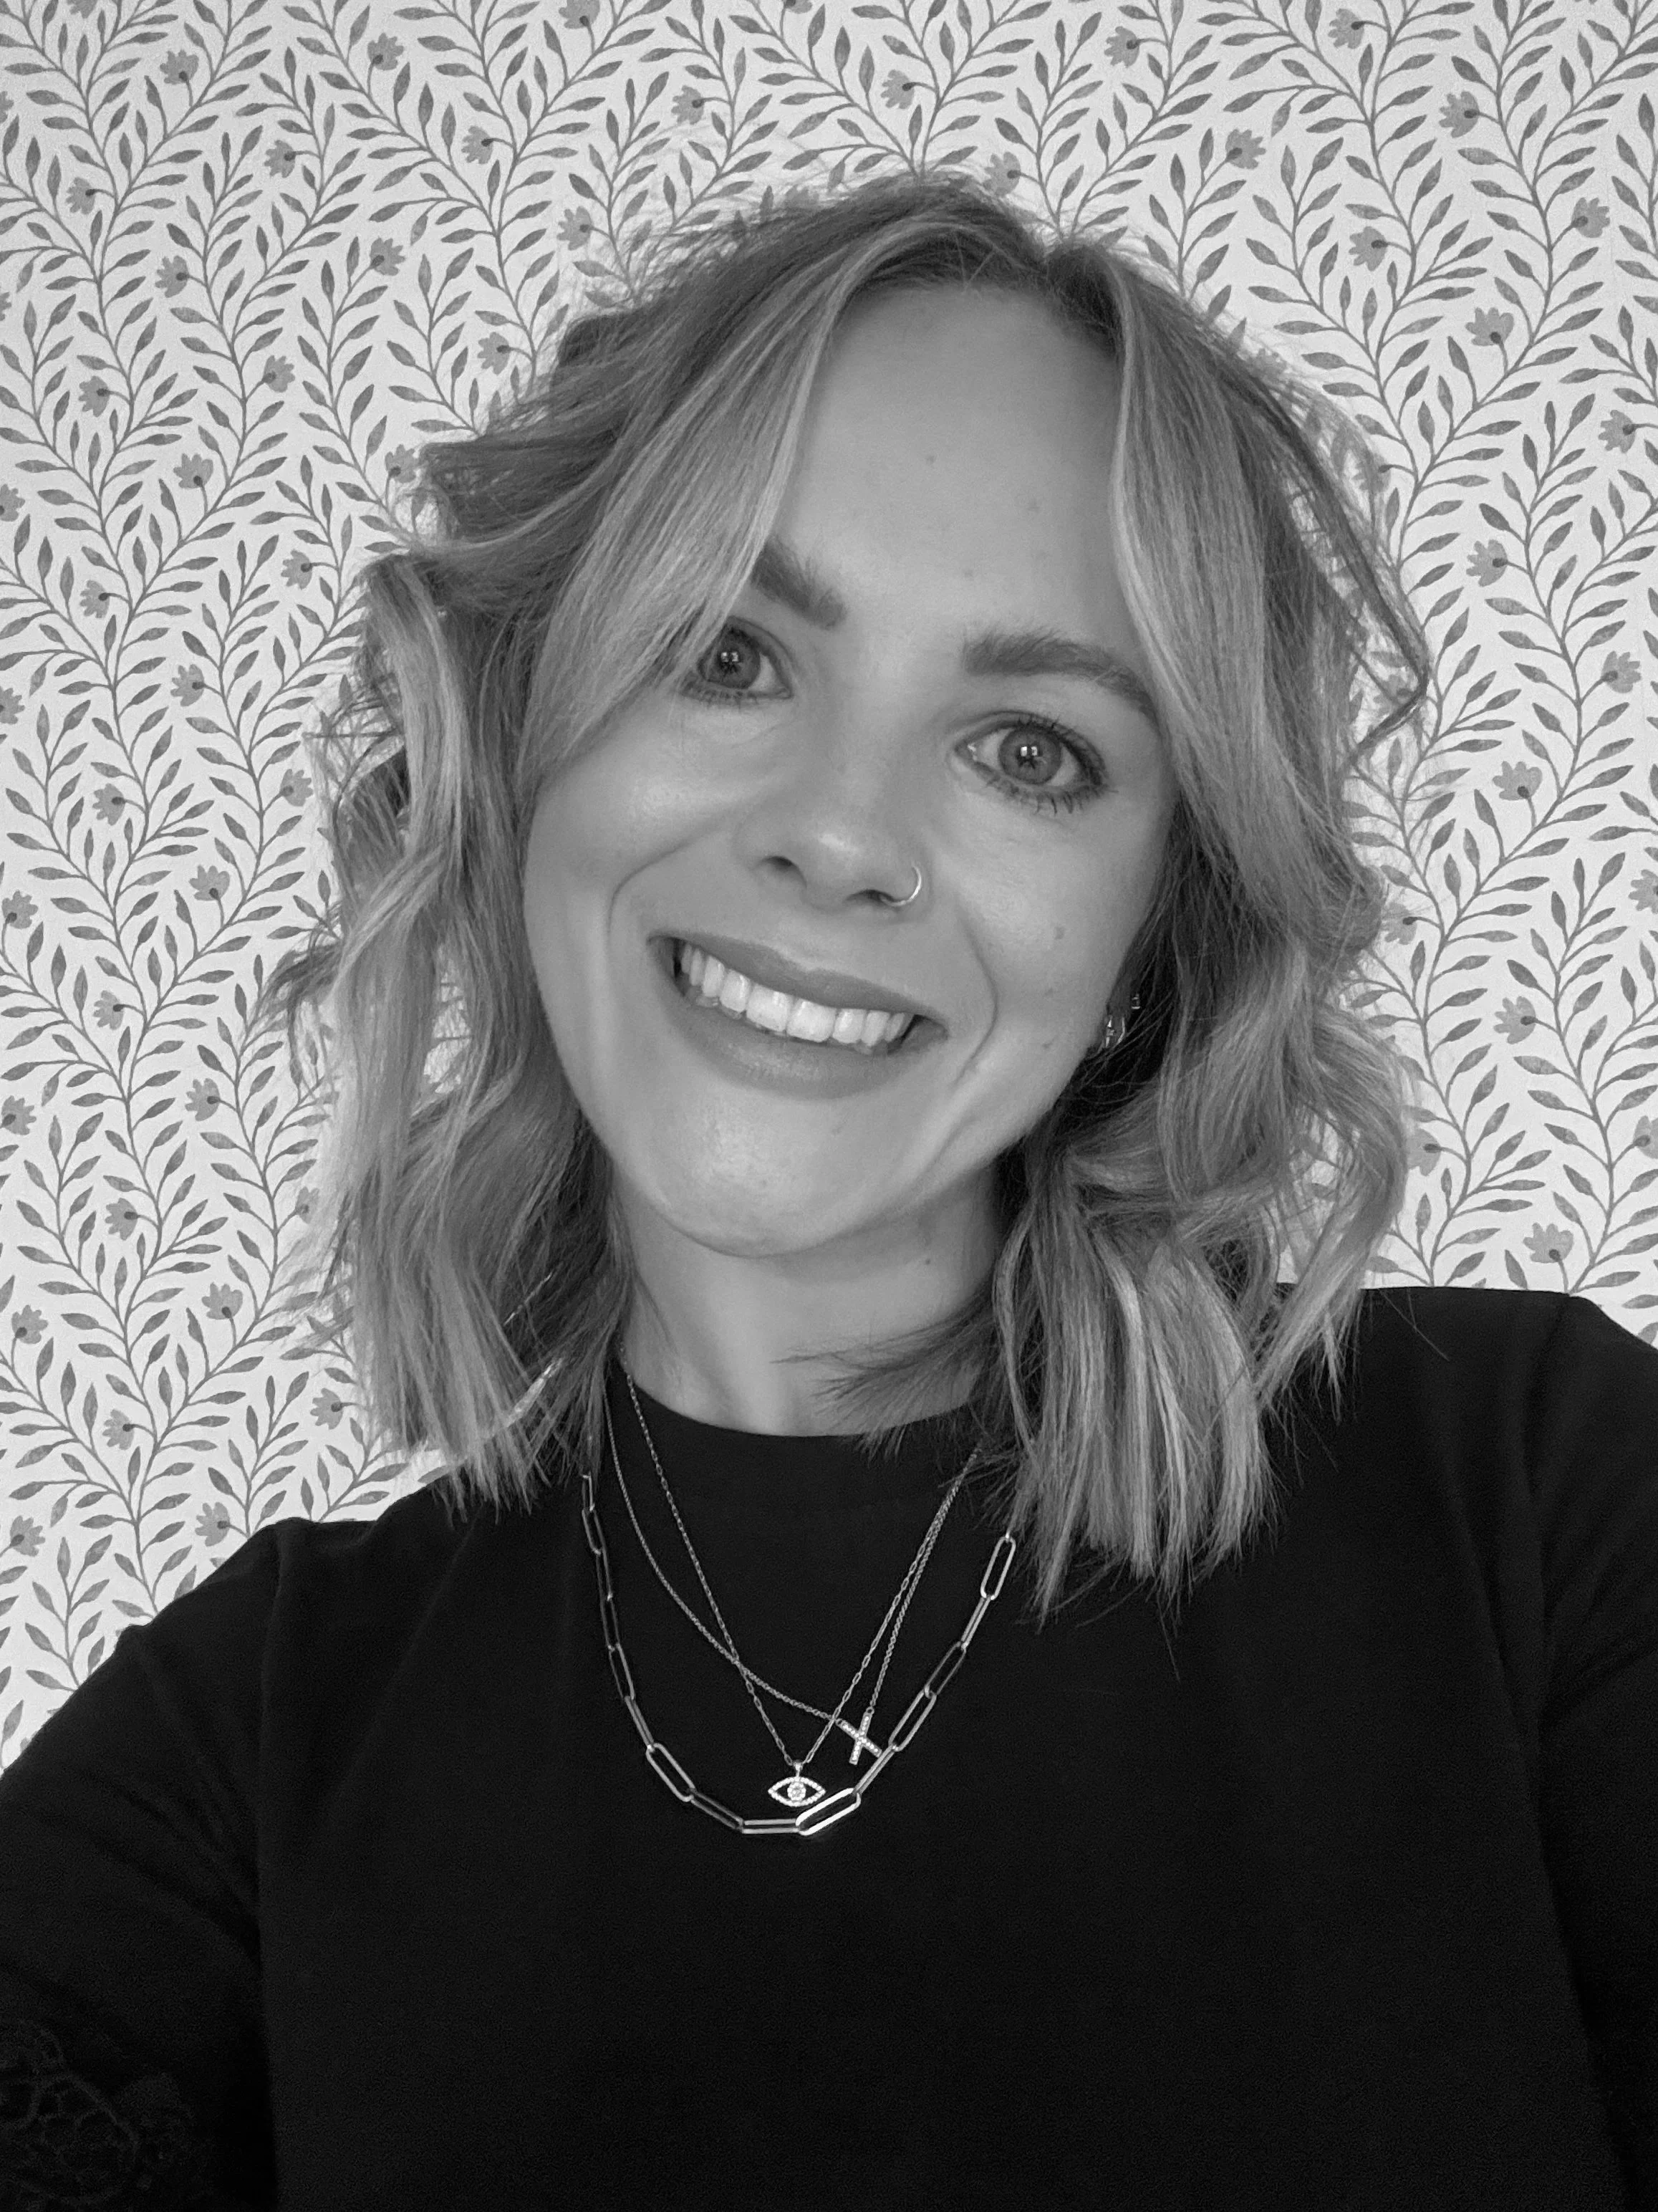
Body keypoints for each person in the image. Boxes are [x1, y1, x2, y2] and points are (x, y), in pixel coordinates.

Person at [1, 170, 1654, 2211]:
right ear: (527, 743)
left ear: (1153, 942)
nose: (842, 835)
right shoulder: (239, 1765)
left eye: (1032, 750)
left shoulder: (1542, 1508)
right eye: (730, 652)